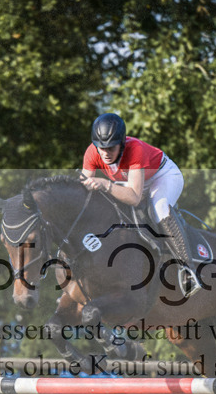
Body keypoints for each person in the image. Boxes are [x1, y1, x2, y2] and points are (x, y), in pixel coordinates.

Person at [80, 112, 202, 295]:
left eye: (111, 148)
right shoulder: (92, 152)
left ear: (122, 144)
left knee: (158, 209)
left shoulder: (135, 149)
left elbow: (134, 197)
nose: (105, 153)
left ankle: (188, 270)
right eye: (101, 147)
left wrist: (105, 184)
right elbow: (83, 189)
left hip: (162, 176)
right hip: (130, 182)